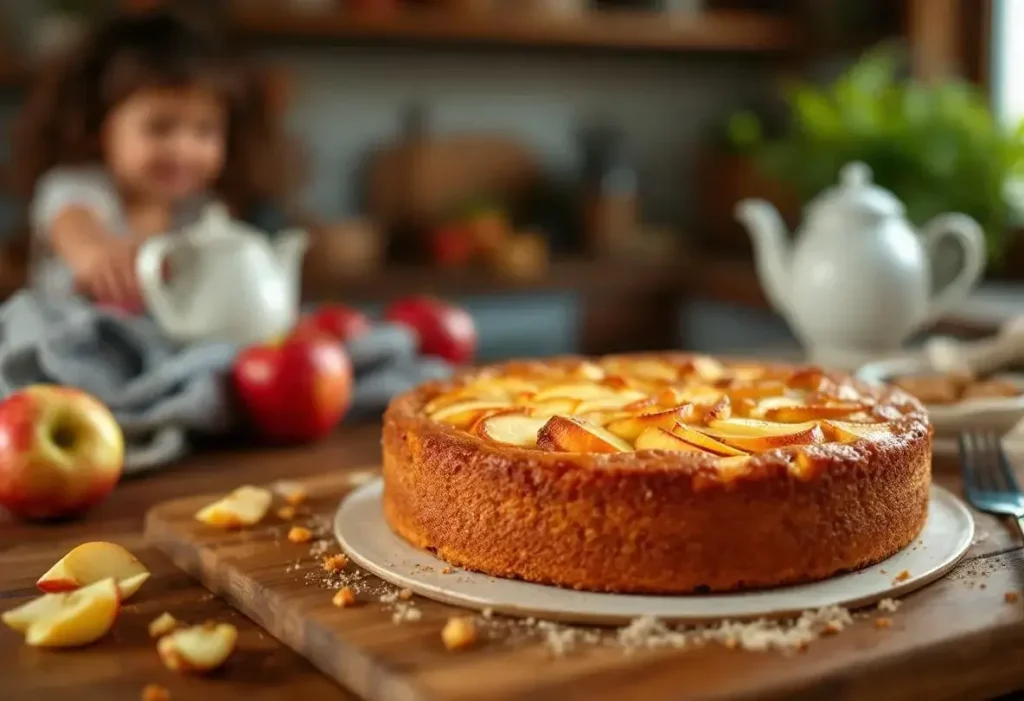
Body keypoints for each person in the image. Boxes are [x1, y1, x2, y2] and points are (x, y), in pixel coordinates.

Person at [10, 8, 288, 310]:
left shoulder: (203, 212)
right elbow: (74, 227)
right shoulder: (76, 187)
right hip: (67, 340)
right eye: (160, 127)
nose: (183, 150)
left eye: (204, 130)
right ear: (101, 128)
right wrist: (98, 256)